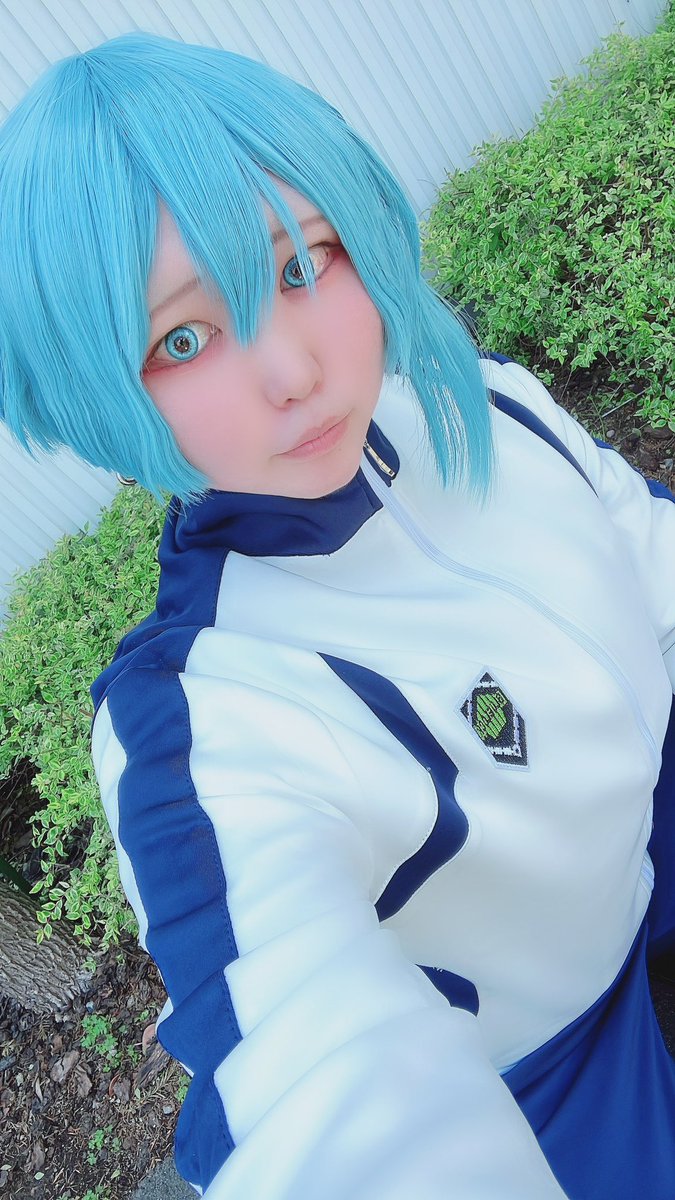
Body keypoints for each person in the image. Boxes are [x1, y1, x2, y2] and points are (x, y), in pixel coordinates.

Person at [1, 30, 674, 1200]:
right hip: (558, 1069)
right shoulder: (200, 720)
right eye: (183, 339)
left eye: (301, 264)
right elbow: (311, 1072)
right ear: (100, 396)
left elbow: (644, 542)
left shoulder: (485, 404)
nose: (291, 372)